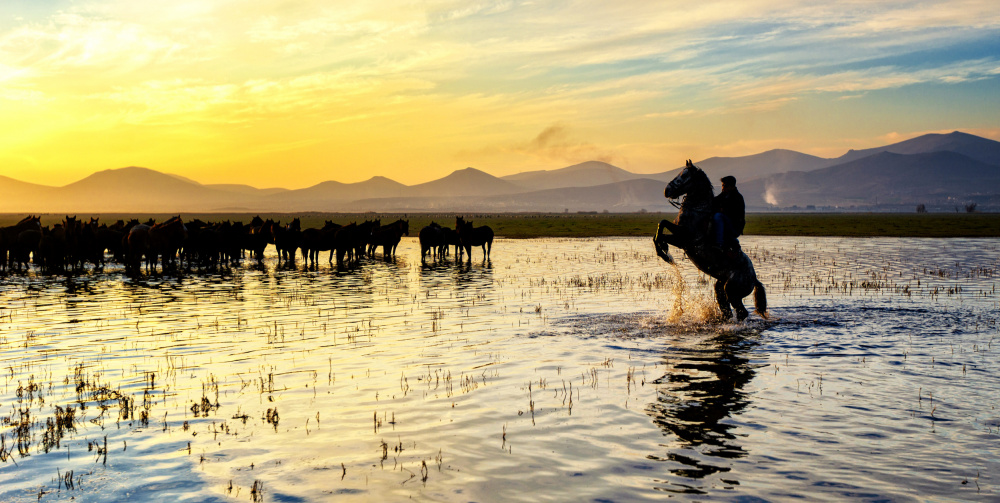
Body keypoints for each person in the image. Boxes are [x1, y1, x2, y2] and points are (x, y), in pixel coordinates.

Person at [712, 175, 745, 255]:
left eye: (725, 186)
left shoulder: (737, 197)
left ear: (731, 186)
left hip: (734, 226)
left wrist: (722, 210)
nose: (723, 188)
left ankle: (719, 244)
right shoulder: (723, 195)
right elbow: (714, 202)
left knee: (718, 216)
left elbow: (734, 213)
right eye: (722, 186)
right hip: (727, 223)